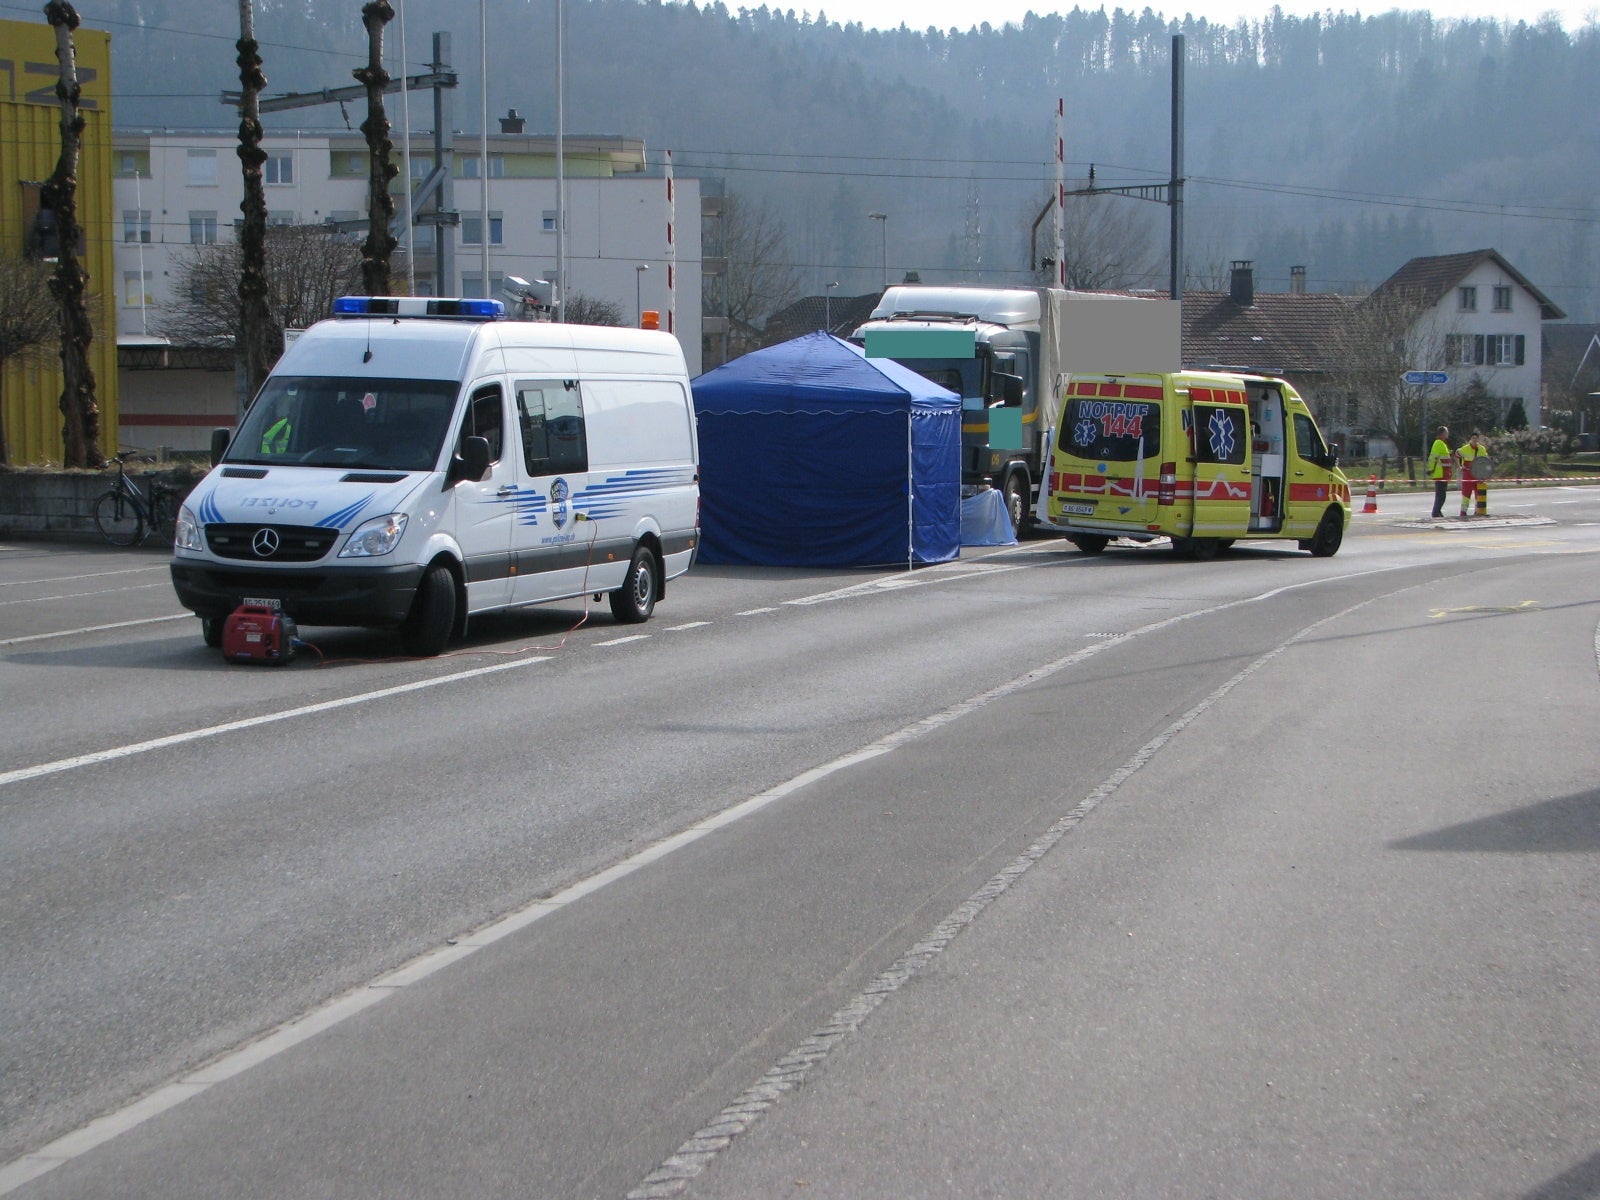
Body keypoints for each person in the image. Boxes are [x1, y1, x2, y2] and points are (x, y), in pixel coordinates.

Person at [1456, 431, 1488, 517]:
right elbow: (1457, 455)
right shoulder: (1465, 448)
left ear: (1478, 439)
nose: (1474, 440)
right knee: (1466, 494)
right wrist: (1460, 466)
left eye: (1476, 438)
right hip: (1468, 474)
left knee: (1479, 493)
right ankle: (1463, 512)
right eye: (1473, 438)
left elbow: (1485, 461)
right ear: (1470, 439)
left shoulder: (1482, 449)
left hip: (1478, 474)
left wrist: (1484, 474)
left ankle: (1477, 511)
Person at [1426, 425, 1452, 518]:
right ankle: (1436, 512)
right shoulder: (1438, 443)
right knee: (1441, 495)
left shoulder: (1442, 443)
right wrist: (1430, 469)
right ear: (1443, 433)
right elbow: (1433, 457)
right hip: (1440, 473)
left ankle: (1438, 511)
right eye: (1446, 432)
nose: (1448, 434)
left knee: (1442, 495)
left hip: (1444, 473)